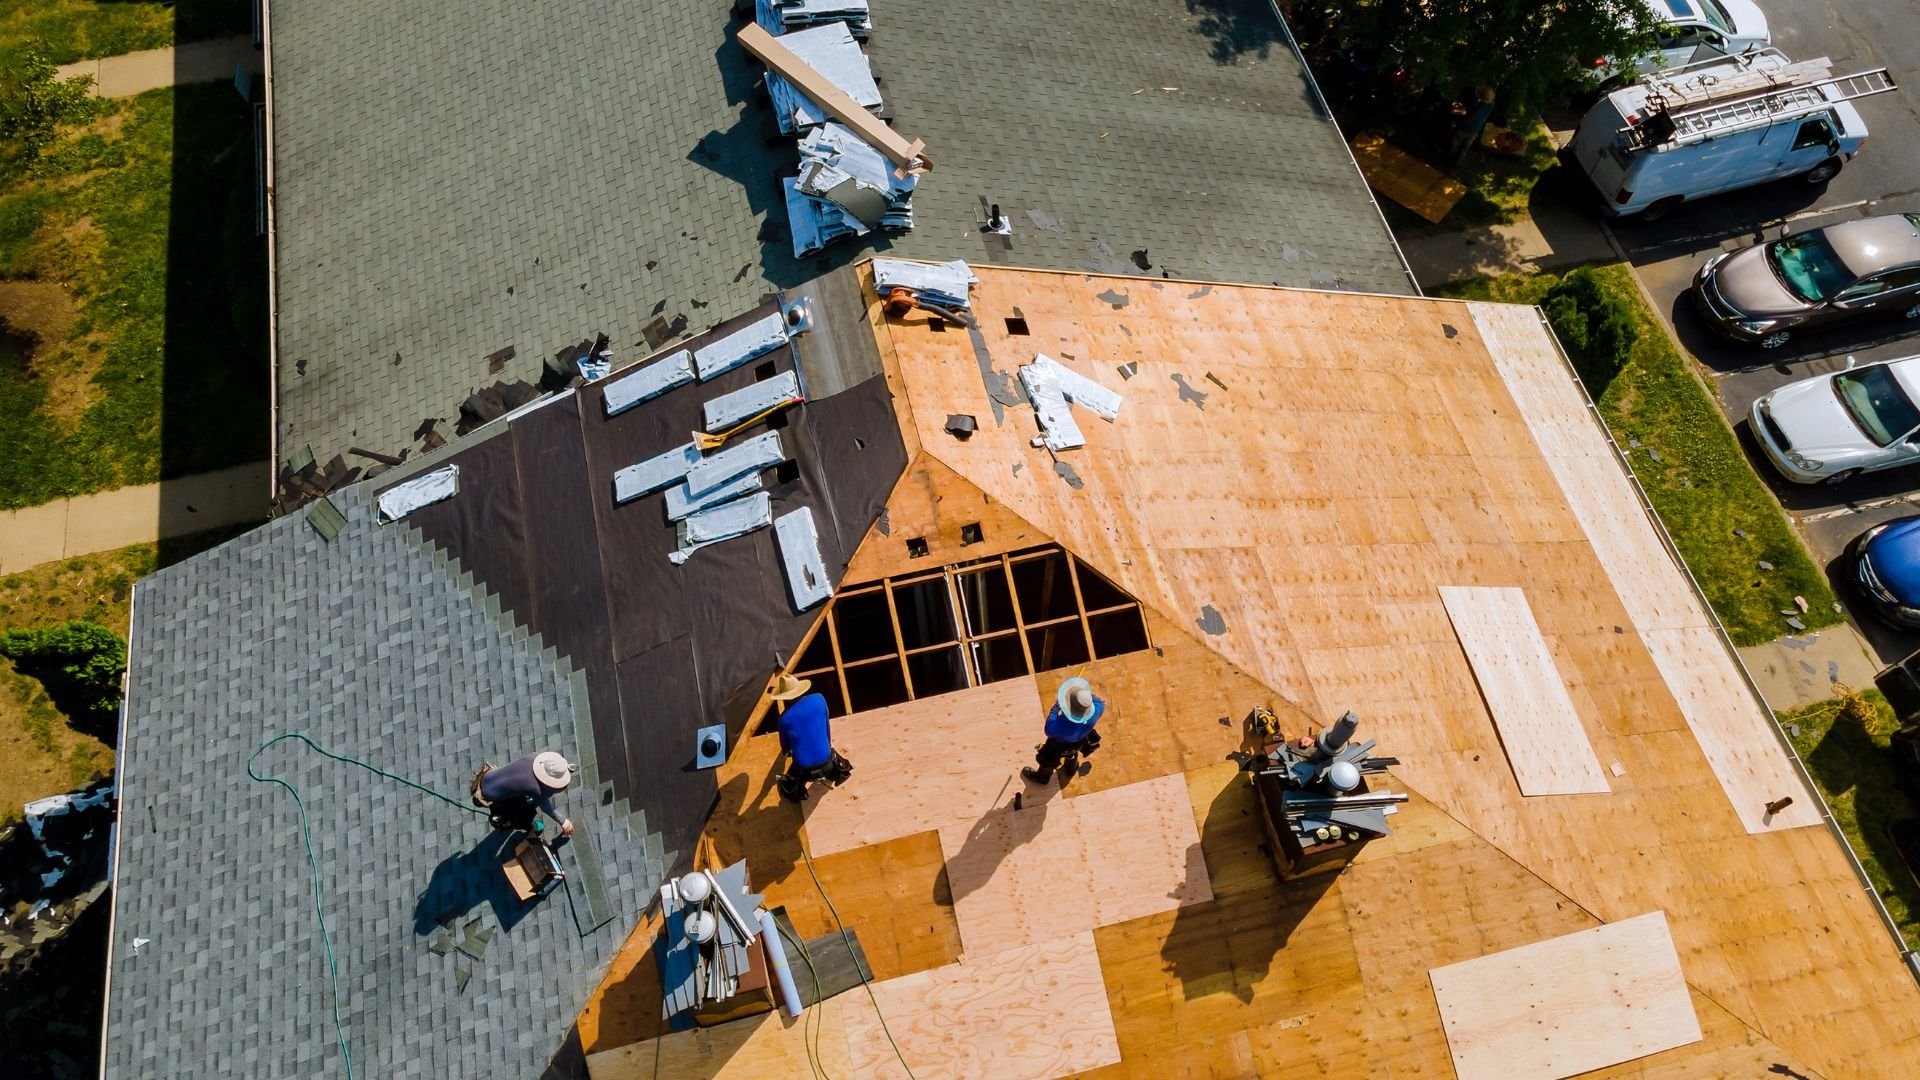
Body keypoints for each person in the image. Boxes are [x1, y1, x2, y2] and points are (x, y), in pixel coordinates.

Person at [771, 673, 853, 802]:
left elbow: (786, 749)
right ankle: (839, 772)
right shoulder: (819, 699)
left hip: (804, 771)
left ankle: (795, 791)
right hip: (827, 763)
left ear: (784, 697)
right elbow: (826, 726)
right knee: (831, 754)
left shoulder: (784, 719)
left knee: (788, 787)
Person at [1022, 677, 1104, 786]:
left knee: (1048, 760)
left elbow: (1048, 730)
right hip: (1080, 742)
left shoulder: (1061, 725)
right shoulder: (1098, 708)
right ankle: (1070, 770)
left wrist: (1055, 708)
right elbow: (1098, 700)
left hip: (1058, 746)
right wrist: (1083, 697)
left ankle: (1042, 777)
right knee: (1072, 755)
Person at [471, 751, 575, 837]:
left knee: (526, 797)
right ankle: (528, 825)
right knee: (522, 814)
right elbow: (545, 806)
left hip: (487, 777)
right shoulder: (535, 788)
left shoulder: (533, 756)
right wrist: (563, 822)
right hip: (489, 795)